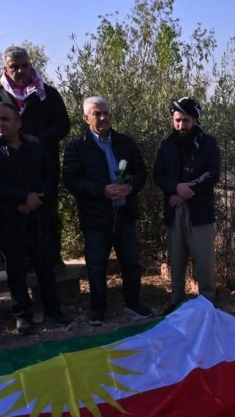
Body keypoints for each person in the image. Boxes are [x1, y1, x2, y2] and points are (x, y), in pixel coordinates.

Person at [0, 102, 72, 334]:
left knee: (45, 266)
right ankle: (22, 315)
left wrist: (36, 198)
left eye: (5, 119)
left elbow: (50, 176)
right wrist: (22, 198)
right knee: (15, 271)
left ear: (18, 123)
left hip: (38, 217)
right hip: (9, 219)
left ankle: (53, 309)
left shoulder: (35, 148)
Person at [0, 46, 70, 270]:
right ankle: (19, 262)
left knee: (46, 211)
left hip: (41, 162)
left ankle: (52, 257)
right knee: (12, 213)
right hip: (7, 164)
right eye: (14, 67)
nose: (20, 70)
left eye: (24, 65)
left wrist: (37, 139)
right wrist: (10, 138)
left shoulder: (48, 93)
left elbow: (62, 125)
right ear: (5, 68)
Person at [62, 97, 152, 326]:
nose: (103, 118)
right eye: (97, 114)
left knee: (131, 263)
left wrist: (130, 187)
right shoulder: (76, 146)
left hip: (125, 215)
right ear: (86, 118)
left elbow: (141, 172)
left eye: (106, 113)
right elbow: (71, 180)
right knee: (96, 267)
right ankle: (98, 310)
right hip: (96, 217)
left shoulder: (125, 143)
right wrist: (101, 190)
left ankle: (133, 303)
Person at [153, 97, 221, 310]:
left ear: (195, 120)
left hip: (199, 211)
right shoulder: (166, 144)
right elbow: (158, 174)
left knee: (204, 262)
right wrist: (175, 187)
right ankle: (177, 303)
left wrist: (184, 191)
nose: (181, 126)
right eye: (177, 120)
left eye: (186, 121)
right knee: (177, 259)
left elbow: (212, 174)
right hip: (174, 210)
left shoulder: (208, 143)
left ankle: (207, 305)